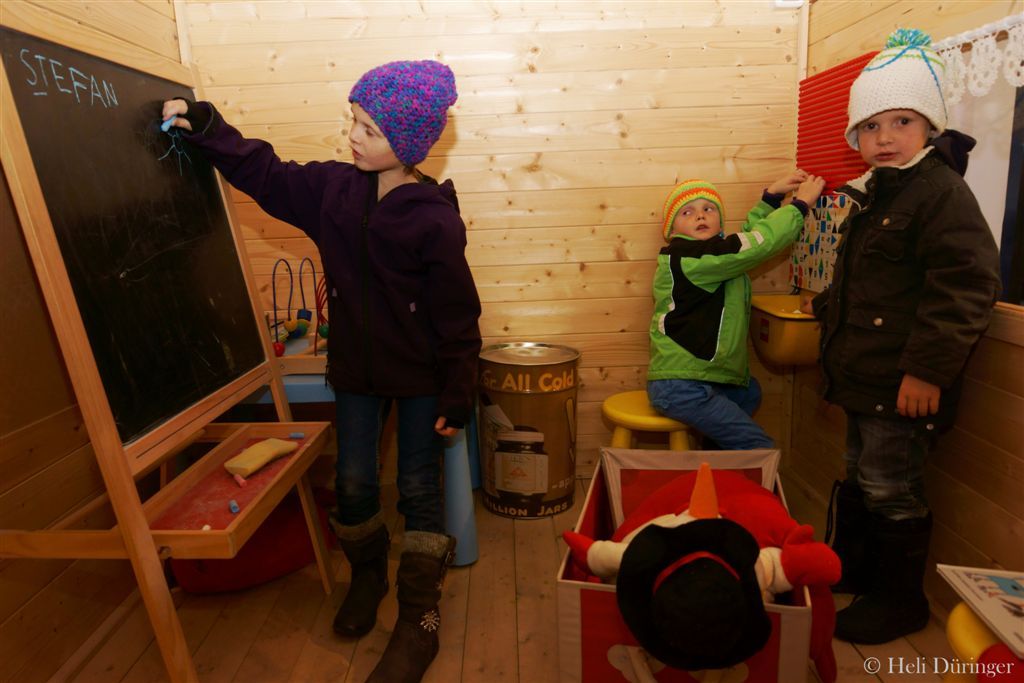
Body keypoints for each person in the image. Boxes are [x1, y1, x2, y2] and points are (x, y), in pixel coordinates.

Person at [162, 59, 482, 683]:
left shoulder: (434, 219)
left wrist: (458, 389)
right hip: (356, 372)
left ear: (408, 143)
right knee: (355, 481)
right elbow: (267, 172)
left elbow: (457, 313)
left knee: (418, 490)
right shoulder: (334, 190)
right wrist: (208, 127)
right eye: (352, 121)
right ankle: (368, 577)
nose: (352, 136)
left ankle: (419, 617)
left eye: (369, 129)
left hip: (421, 378)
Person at [803, 29, 1001, 644]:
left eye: (901, 121)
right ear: (855, 136)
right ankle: (857, 571)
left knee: (892, 488)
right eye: (870, 126)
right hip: (867, 375)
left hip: (902, 380)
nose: (884, 137)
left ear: (930, 126)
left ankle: (899, 602)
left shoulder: (939, 192)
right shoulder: (878, 193)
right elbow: (875, 282)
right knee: (861, 472)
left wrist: (926, 370)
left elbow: (966, 285)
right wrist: (826, 307)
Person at [647, 174, 824, 450]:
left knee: (749, 392)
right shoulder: (691, 256)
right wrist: (799, 206)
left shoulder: (715, 255)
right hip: (683, 385)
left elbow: (746, 241)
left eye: (709, 208)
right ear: (671, 230)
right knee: (760, 448)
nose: (700, 215)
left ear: (720, 221)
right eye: (687, 212)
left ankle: (715, 464)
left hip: (696, 377)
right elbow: (756, 245)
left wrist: (771, 199)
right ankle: (733, 468)